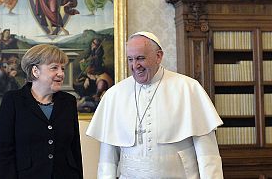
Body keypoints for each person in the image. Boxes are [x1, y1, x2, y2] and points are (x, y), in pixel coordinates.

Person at [86, 31, 224, 178]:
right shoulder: (114, 95)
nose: (135, 65)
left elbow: (208, 155)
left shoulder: (188, 88)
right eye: (130, 59)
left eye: (140, 58)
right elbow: (108, 160)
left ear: (158, 56)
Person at [0, 44, 83, 179]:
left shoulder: (68, 102)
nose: (61, 73)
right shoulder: (13, 101)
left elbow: (75, 149)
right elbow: (4, 153)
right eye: (54, 68)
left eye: (62, 68)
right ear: (35, 71)